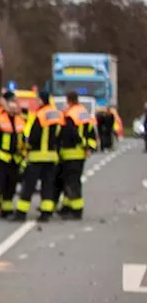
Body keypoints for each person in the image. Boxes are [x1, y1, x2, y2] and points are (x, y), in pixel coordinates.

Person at [14, 90, 63, 221]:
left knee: (28, 186)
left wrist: (27, 146)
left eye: (38, 100)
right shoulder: (57, 114)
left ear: (42, 100)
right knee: (47, 186)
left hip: (37, 156)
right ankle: (46, 213)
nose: (36, 102)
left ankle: (21, 213)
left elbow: (34, 136)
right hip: (52, 156)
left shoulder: (40, 115)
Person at [56, 91, 98, 219]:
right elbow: (91, 133)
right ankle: (67, 207)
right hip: (80, 154)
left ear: (68, 100)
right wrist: (88, 146)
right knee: (70, 180)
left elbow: (69, 134)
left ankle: (77, 210)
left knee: (72, 182)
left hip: (70, 153)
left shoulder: (69, 115)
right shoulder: (84, 113)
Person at [0, 92, 25, 218]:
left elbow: (23, 140)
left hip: (15, 160)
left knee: (12, 185)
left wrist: (22, 155)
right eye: (11, 109)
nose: (14, 111)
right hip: (2, 159)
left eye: (15, 109)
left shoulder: (21, 121)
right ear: (7, 109)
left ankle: (7, 209)